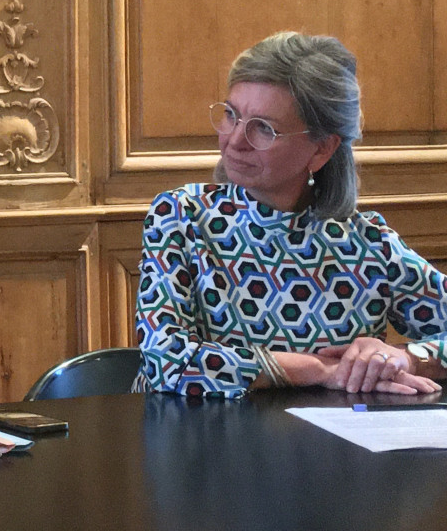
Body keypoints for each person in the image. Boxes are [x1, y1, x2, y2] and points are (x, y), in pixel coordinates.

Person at [135, 31, 447, 398]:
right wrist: (318, 369)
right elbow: (165, 362)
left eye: (264, 129)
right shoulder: (181, 217)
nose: (234, 140)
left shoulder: (368, 245)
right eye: (231, 115)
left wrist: (405, 358)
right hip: (201, 445)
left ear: (322, 148)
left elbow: (409, 355)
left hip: (333, 451)